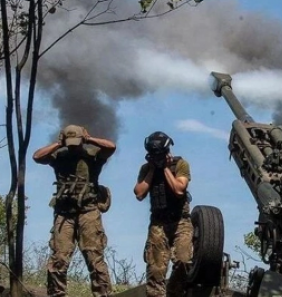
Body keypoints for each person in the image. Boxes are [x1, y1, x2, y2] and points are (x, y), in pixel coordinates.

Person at [33, 124, 115, 297]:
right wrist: (58, 144)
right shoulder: (59, 156)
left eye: (76, 142)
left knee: (94, 258)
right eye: (70, 142)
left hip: (88, 212)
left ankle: (102, 294)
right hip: (64, 214)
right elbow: (37, 157)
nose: (73, 146)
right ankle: (57, 294)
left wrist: (90, 138)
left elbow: (111, 147)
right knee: (59, 259)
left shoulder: (92, 156)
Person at [134, 131, 193, 297]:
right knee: (155, 270)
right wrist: (153, 170)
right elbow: (139, 193)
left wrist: (166, 169)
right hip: (158, 223)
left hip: (180, 222)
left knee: (184, 261)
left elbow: (179, 190)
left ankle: (173, 291)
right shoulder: (146, 169)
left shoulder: (180, 164)